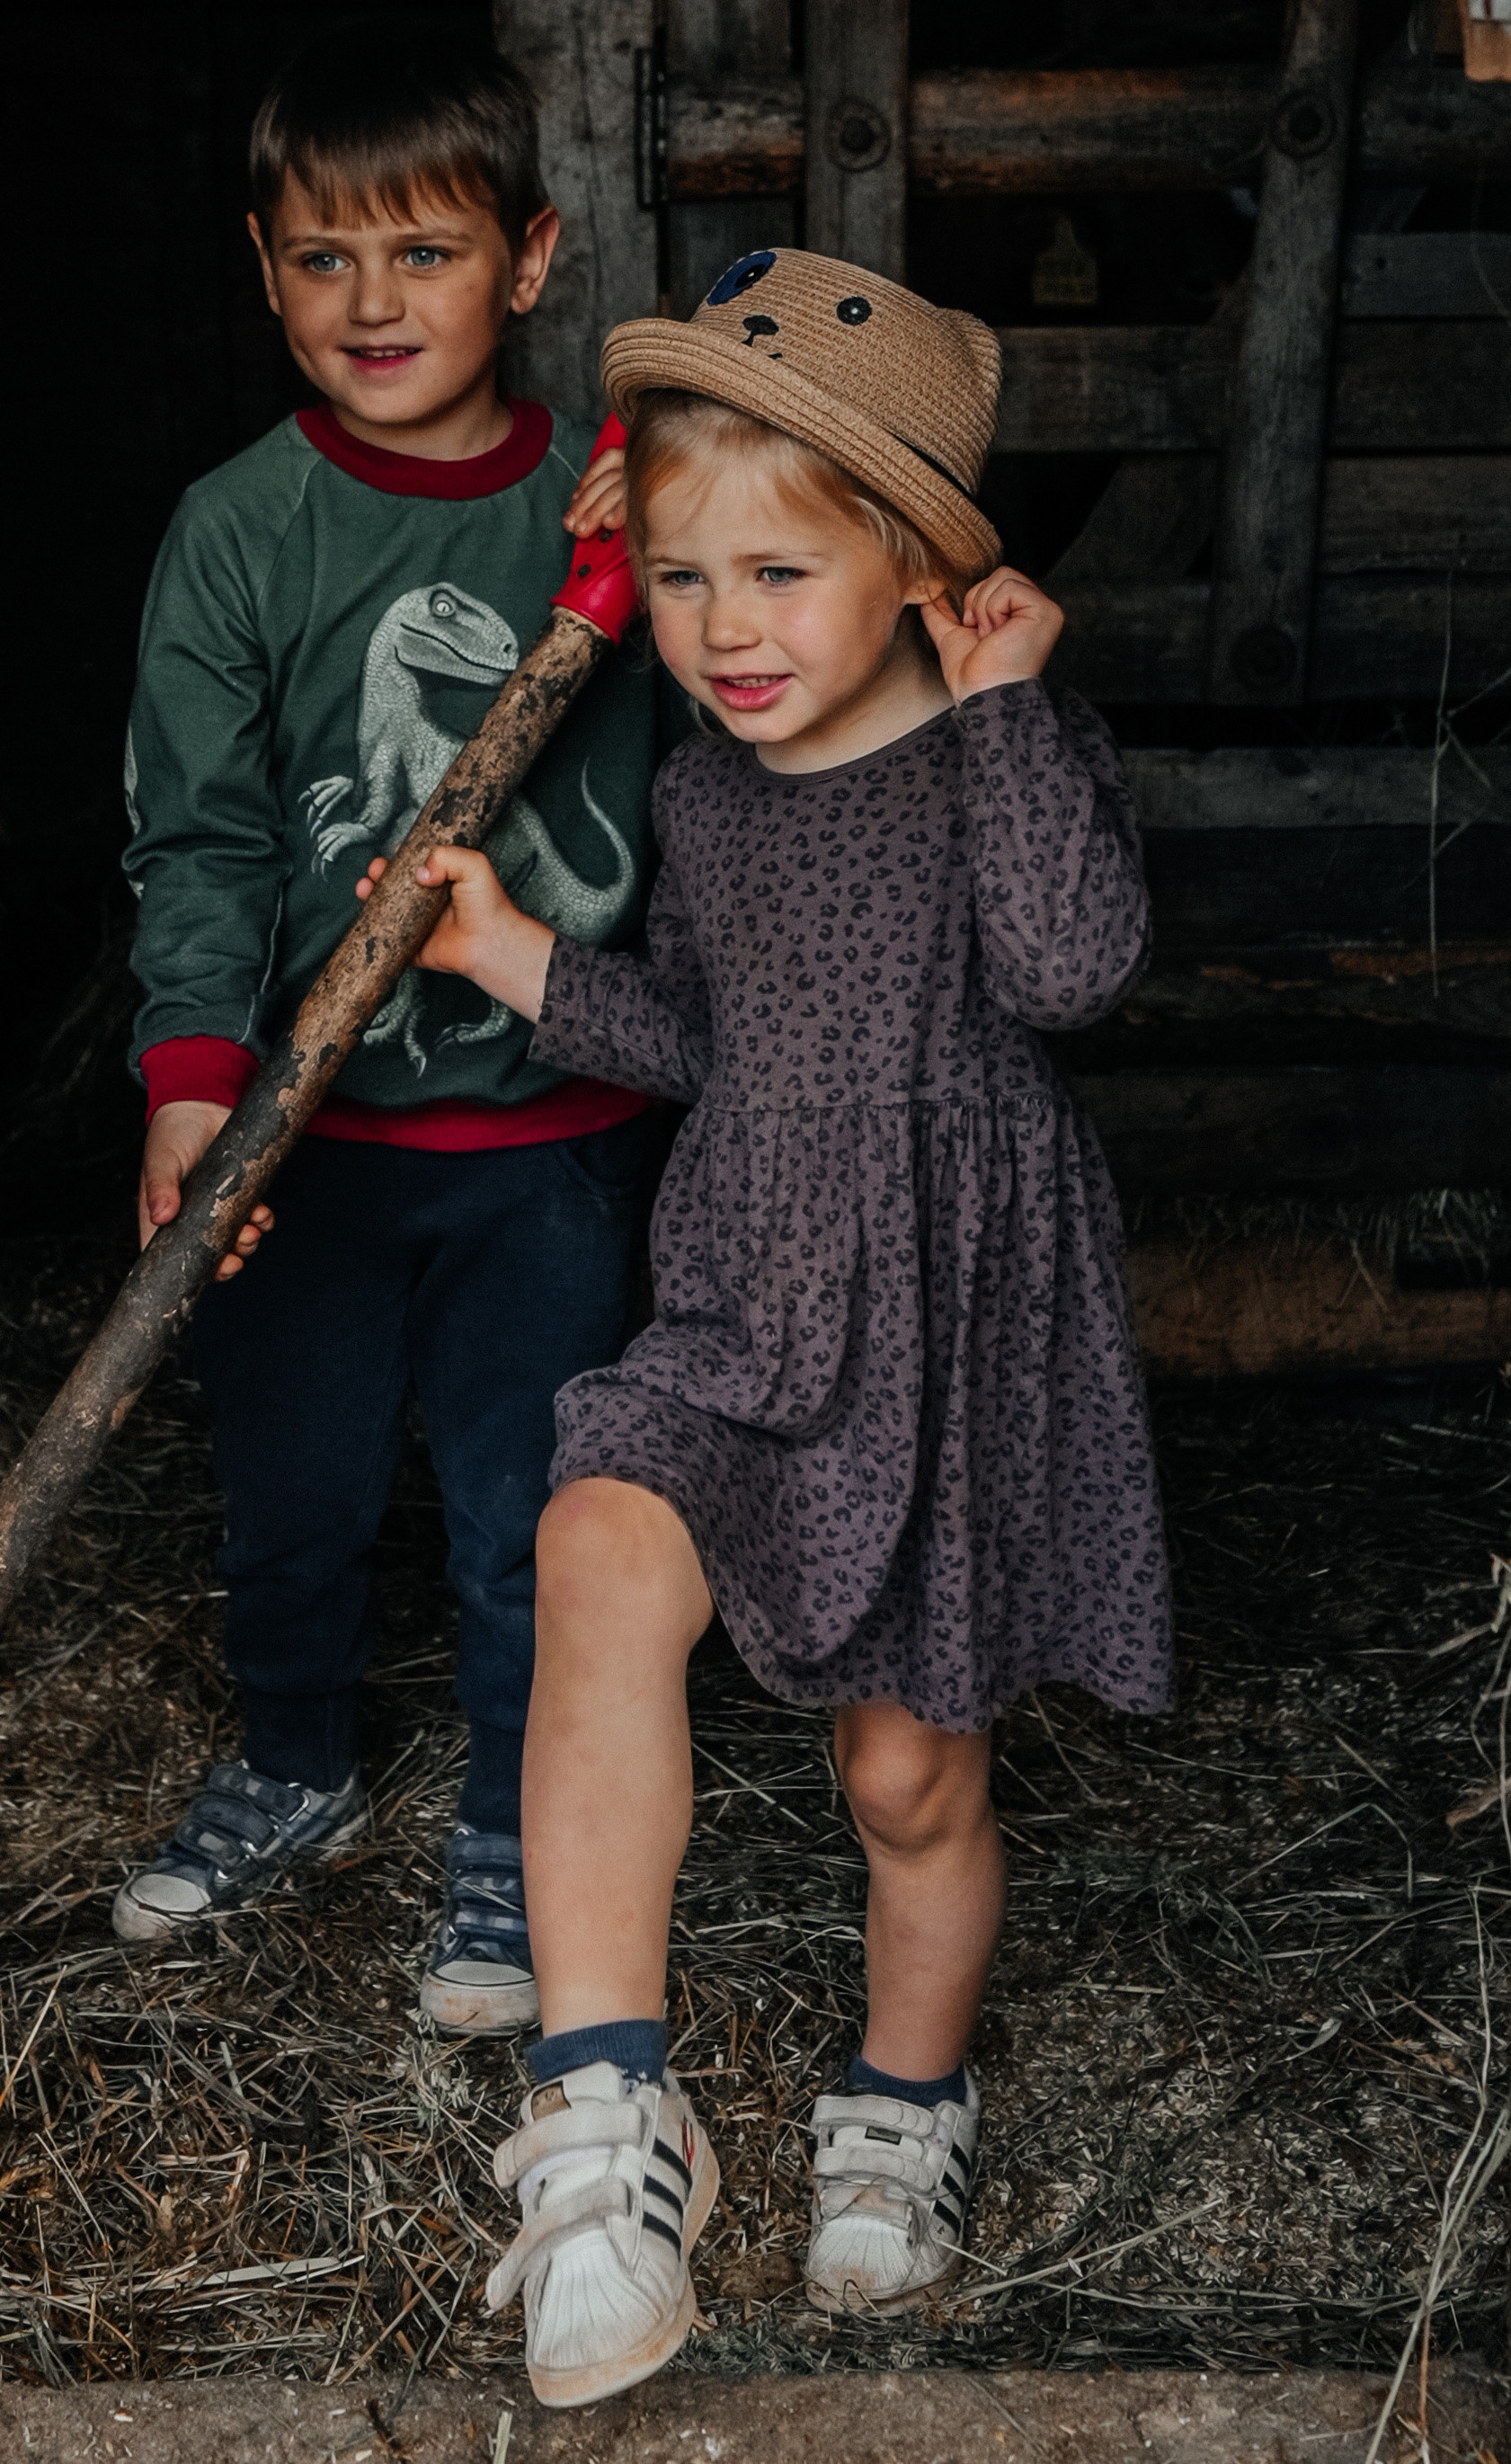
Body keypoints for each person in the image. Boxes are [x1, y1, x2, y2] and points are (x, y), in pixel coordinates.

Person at [368, 245, 1175, 2406]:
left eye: (783, 573)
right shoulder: (710, 794)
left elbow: (1075, 968)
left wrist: (1007, 706)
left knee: (908, 1775)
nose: (726, 627)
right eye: (689, 576)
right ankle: (604, 2129)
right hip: (743, 1297)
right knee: (594, 1535)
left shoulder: (1009, 754)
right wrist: (520, 956)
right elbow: (719, 1041)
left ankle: (903, 2105)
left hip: (948, 1319)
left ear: (920, 564)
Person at [114, 31, 676, 2034]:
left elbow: (769, 675)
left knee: (535, 1518)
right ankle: (294, 1756)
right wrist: (196, 1086)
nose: (373, 301)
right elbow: (197, 833)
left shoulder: (616, 515)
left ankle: (524, 1833)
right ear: (262, 266)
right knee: (293, 1489)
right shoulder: (240, 528)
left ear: (530, 259)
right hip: (307, 1137)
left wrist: (671, 539)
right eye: (322, 256)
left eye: (423, 252)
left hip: (552, 1133)